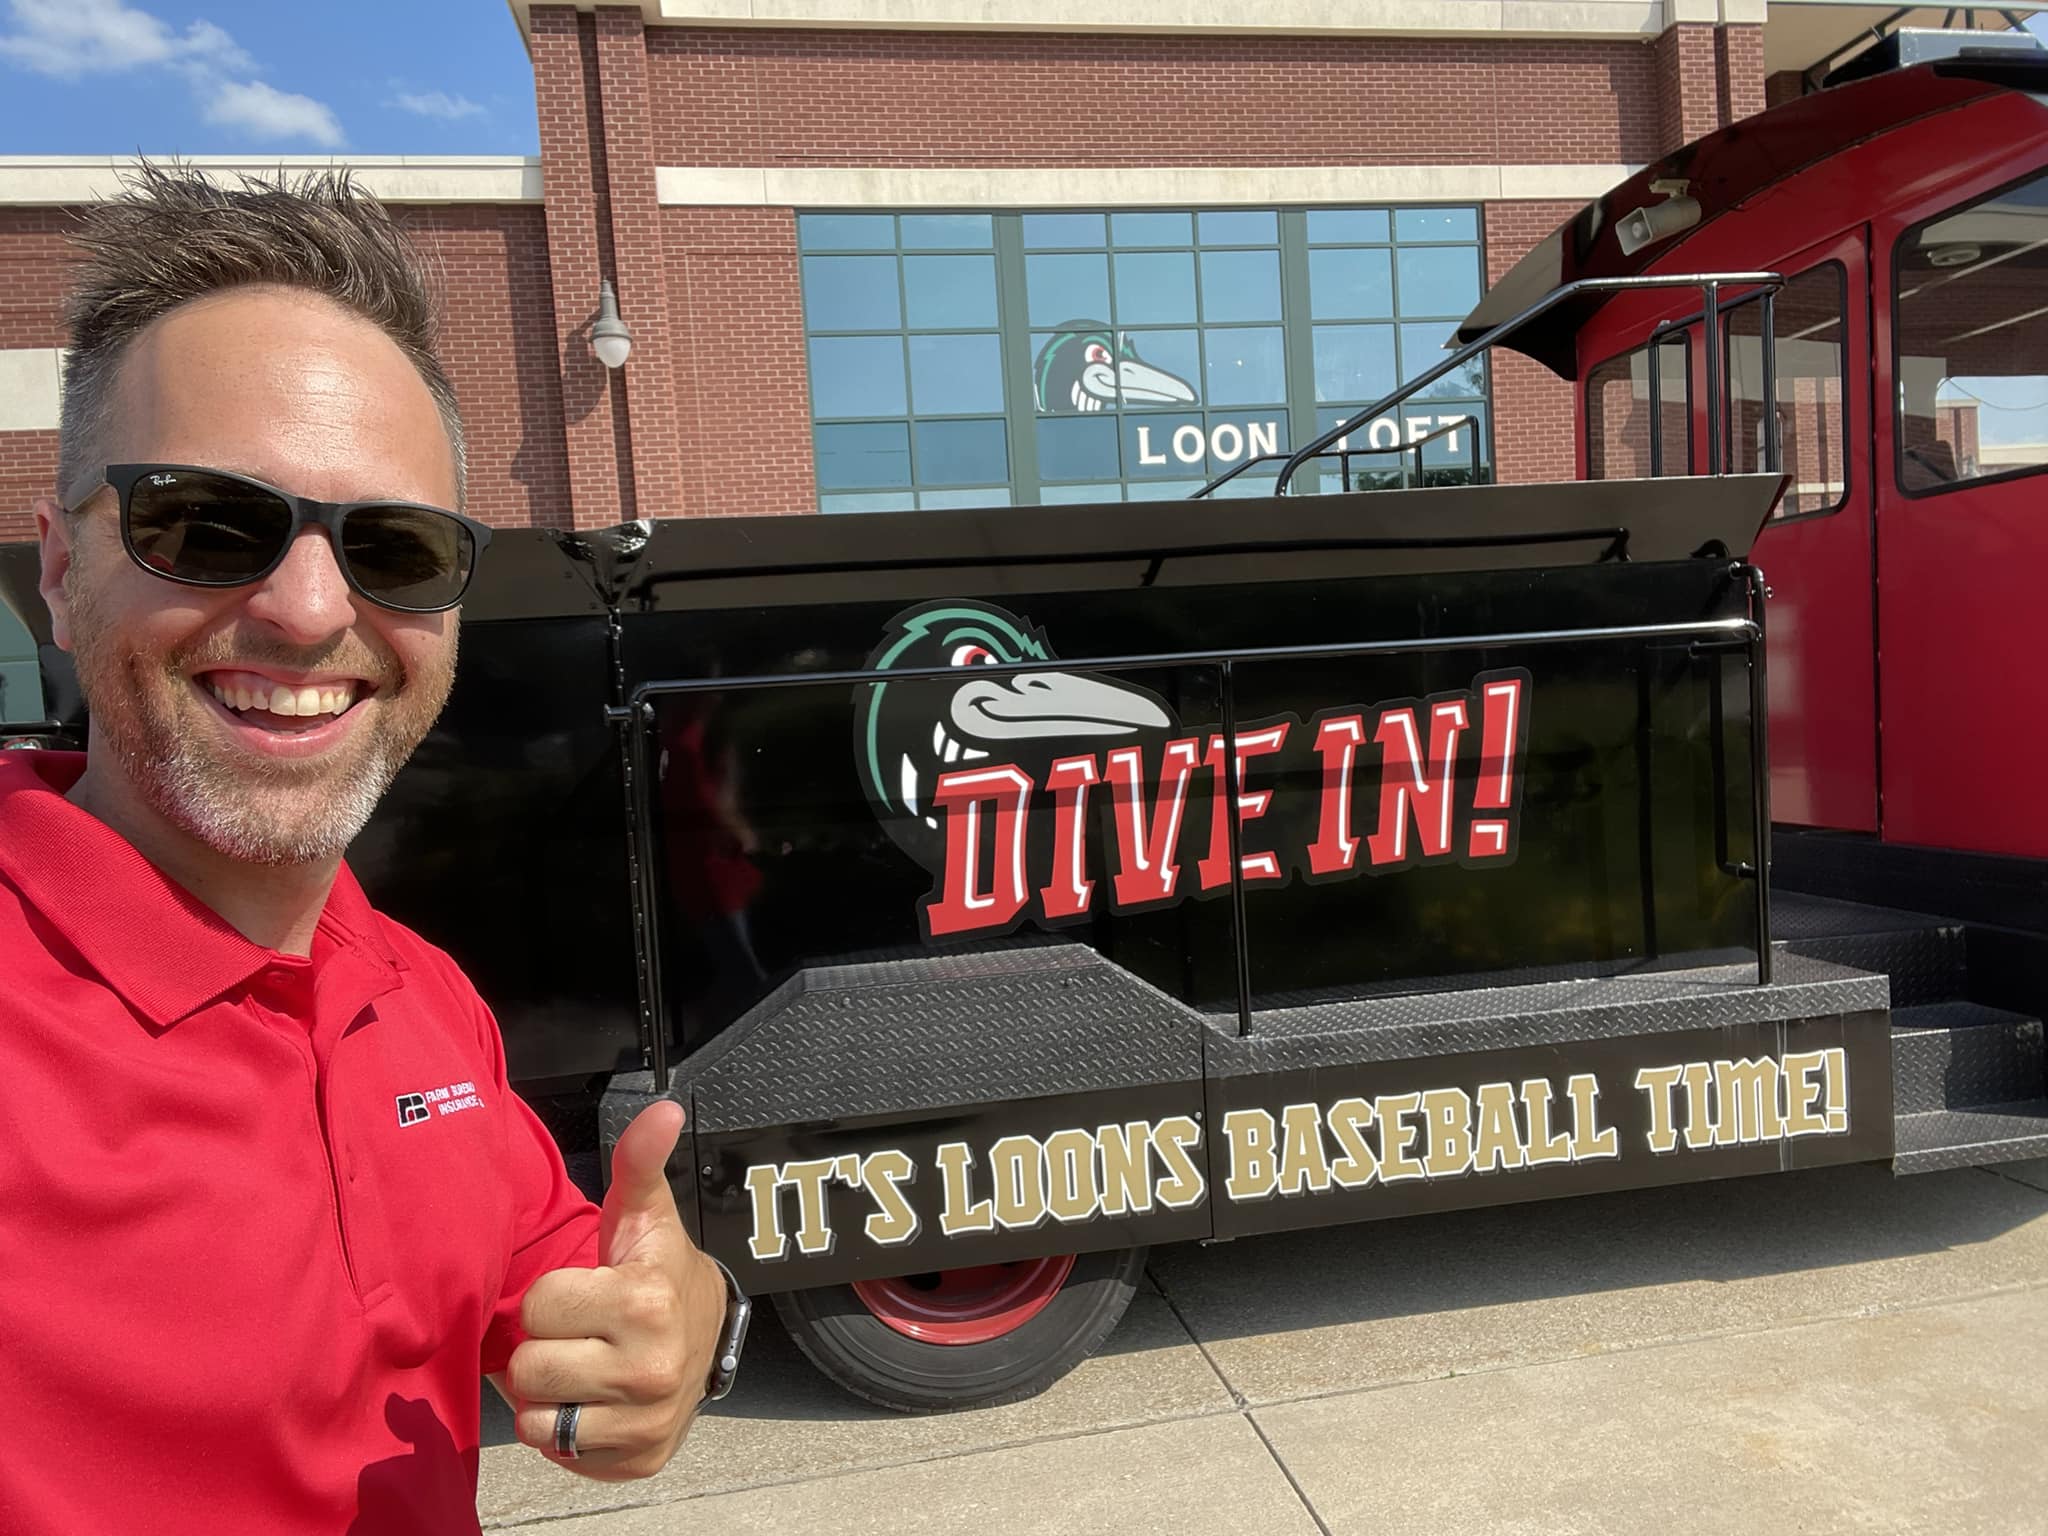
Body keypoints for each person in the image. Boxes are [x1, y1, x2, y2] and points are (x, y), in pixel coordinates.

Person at [0, 165, 730, 1534]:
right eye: (206, 523)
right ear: (55, 566)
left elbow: (551, 1263)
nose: (310, 608)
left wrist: (675, 1320)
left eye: (393, 546)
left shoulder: (415, 992)